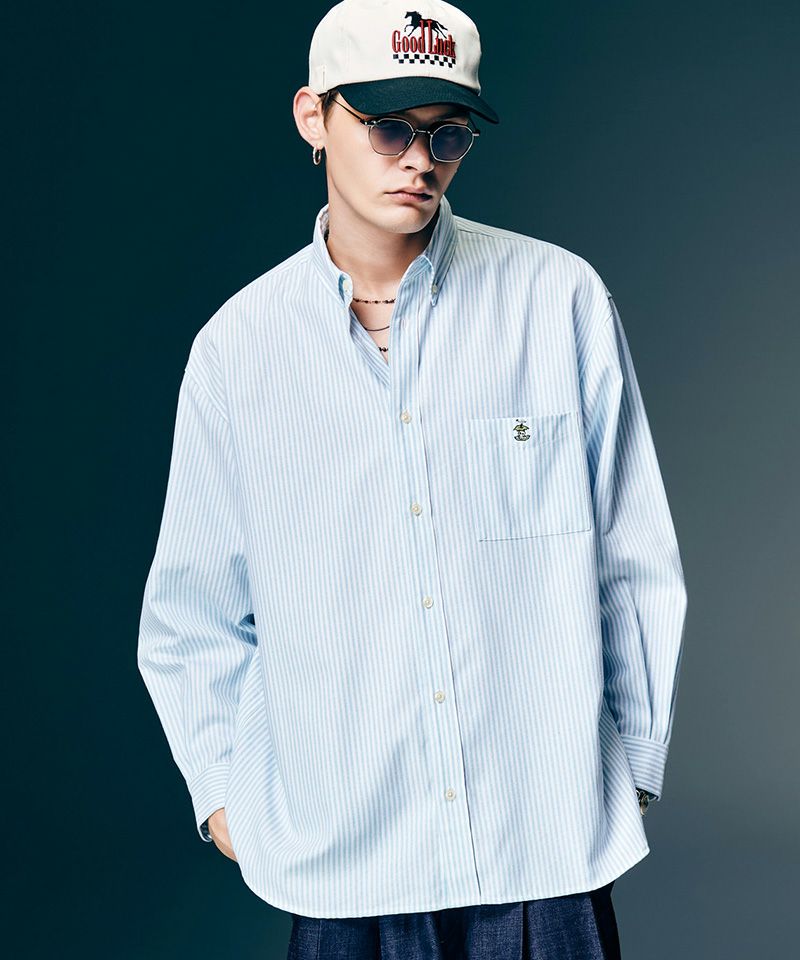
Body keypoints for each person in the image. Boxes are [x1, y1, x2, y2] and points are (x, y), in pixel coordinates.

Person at [137, 0, 688, 957]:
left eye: (447, 134)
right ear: (313, 118)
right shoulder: (238, 351)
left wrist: (632, 763)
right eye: (388, 127)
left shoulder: (558, 301)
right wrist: (223, 795)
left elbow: (631, 554)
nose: (419, 161)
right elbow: (192, 611)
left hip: (542, 852)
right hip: (346, 862)